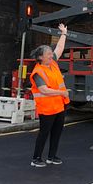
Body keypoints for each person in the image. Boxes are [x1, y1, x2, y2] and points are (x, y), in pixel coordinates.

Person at [29, 23, 70, 168]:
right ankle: (36, 158)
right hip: (47, 108)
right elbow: (44, 90)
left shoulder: (52, 64)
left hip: (59, 106)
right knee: (44, 133)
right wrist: (62, 92)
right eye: (48, 54)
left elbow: (59, 48)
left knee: (57, 132)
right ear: (41, 57)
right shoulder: (37, 72)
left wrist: (64, 33)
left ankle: (52, 156)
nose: (51, 55)